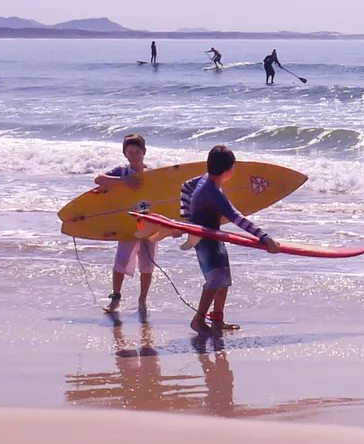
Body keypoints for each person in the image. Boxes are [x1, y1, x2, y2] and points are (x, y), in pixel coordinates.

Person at [179, 145, 280, 335]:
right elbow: (237, 218)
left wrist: (186, 217)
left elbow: (185, 186)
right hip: (204, 237)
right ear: (228, 171)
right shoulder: (214, 193)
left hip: (212, 233)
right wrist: (265, 238)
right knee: (215, 279)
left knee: (224, 277)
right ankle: (198, 320)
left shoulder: (205, 179)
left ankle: (217, 319)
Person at [94, 133, 157, 325]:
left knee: (147, 265)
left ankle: (143, 300)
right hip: (128, 224)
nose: (134, 156)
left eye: (137, 152)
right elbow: (99, 179)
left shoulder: (153, 174)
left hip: (148, 223)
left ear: (144, 152)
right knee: (121, 261)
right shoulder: (122, 171)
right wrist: (123, 182)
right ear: (125, 154)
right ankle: (116, 298)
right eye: (130, 152)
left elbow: (164, 198)